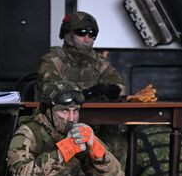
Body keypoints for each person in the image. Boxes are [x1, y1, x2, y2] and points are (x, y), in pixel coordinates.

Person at [36, 11, 128, 168]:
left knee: (117, 143)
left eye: (92, 34)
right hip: (59, 127)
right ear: (67, 34)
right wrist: (88, 93)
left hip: (95, 126)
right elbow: (50, 90)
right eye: (81, 32)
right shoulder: (53, 60)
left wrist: (110, 89)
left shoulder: (98, 61)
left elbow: (120, 87)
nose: (87, 38)